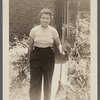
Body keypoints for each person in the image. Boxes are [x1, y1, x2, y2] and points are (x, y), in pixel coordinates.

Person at [27, 8, 64, 100]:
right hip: (35, 56)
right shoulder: (34, 30)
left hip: (48, 56)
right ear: (40, 18)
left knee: (47, 82)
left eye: (47, 18)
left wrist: (61, 50)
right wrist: (28, 61)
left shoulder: (53, 31)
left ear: (50, 19)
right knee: (35, 82)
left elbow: (58, 43)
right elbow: (30, 46)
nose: (45, 20)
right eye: (43, 18)